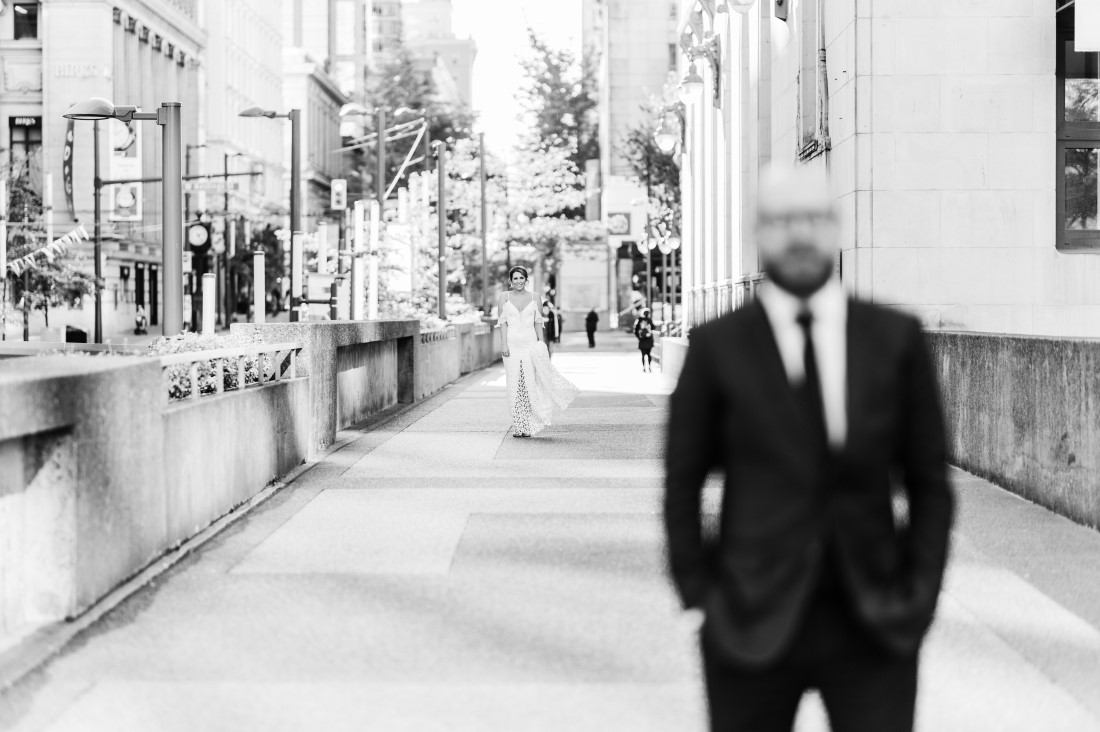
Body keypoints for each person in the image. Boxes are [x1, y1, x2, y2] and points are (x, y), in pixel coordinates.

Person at [664, 165, 953, 732]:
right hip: (749, 619)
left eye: (814, 219)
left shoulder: (895, 339)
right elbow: (682, 481)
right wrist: (700, 596)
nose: (799, 235)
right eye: (781, 220)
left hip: (875, 621)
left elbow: (929, 484)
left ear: (836, 227)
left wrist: (918, 598)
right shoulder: (716, 346)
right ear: (757, 231)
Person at [498, 266, 579, 437]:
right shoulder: (504, 298)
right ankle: (518, 424)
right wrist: (503, 344)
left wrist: (542, 344)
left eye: (522, 278)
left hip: (530, 345)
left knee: (529, 384)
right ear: (510, 281)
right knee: (514, 385)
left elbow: (538, 323)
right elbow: (503, 323)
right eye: (515, 278)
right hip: (511, 347)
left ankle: (527, 424)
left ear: (526, 280)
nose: (519, 281)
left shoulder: (535, 297)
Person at [634, 308, 656, 372]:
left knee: (643, 355)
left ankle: (644, 368)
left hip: (642, 340)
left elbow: (635, 330)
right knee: (649, 354)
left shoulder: (639, 319)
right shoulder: (649, 320)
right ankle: (649, 367)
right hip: (649, 340)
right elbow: (653, 327)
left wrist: (639, 337)